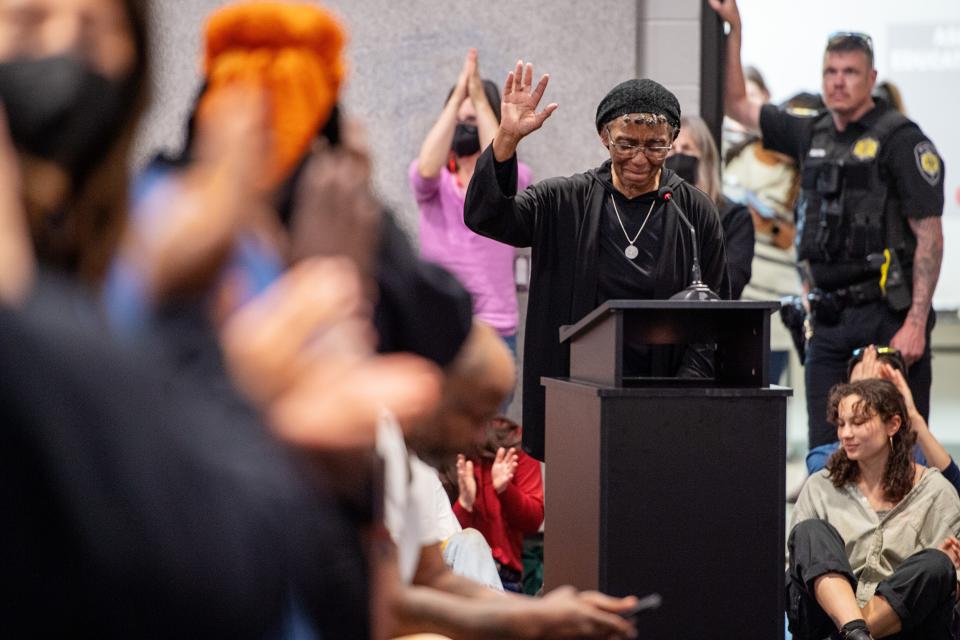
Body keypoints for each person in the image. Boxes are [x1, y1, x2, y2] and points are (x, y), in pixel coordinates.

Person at [711, 0, 945, 452]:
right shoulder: (812, 131)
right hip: (828, 321)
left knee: (898, 452)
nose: (839, 81)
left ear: (871, 79)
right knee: (826, 454)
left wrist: (915, 322)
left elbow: (929, 237)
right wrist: (734, 32)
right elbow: (739, 105)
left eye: (850, 72)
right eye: (831, 71)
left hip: (887, 317)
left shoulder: (902, 140)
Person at [464, 63, 728, 460]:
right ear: (605, 137)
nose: (640, 158)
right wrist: (505, 140)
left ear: (672, 140)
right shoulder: (563, 200)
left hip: (664, 395)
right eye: (627, 144)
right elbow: (487, 216)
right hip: (579, 392)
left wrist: (684, 392)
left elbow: (714, 316)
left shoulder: (694, 210)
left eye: (655, 145)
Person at [375, 320, 639, 640]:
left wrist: (545, 611)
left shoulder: (414, 466)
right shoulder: (368, 448)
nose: (477, 436)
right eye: (475, 417)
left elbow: (436, 577)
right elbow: (385, 607)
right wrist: (531, 621)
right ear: (434, 392)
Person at [787, 379, 960, 639]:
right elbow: (802, 564)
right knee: (809, 531)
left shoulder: (935, 491)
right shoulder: (820, 486)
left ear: (893, 424)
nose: (845, 433)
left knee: (937, 564)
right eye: (841, 423)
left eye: (858, 423)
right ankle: (855, 632)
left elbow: (947, 587)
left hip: (901, 625)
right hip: (826, 619)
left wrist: (950, 570)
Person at [411, 49, 532, 354]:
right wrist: (456, 99)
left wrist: (480, 100)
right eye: (460, 120)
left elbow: (499, 168)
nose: (466, 126)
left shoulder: (517, 177)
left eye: (474, 120)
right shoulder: (435, 180)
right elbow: (425, 169)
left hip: (494, 326)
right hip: (438, 321)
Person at [805, 346, 960, 495]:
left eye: (875, 392)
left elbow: (952, 494)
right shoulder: (820, 457)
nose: (862, 400)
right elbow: (826, 488)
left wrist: (912, 414)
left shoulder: (918, 456)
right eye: (855, 389)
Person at [453, 414, 545, 592]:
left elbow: (533, 521)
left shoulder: (515, 441)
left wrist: (505, 490)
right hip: (452, 573)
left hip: (504, 576)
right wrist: (464, 503)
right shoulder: (446, 442)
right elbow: (440, 533)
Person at [666, 114, 754, 298]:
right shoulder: (653, 213)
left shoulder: (734, 218)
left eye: (687, 149)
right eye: (672, 150)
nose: (679, 156)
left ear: (705, 159)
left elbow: (732, 282)